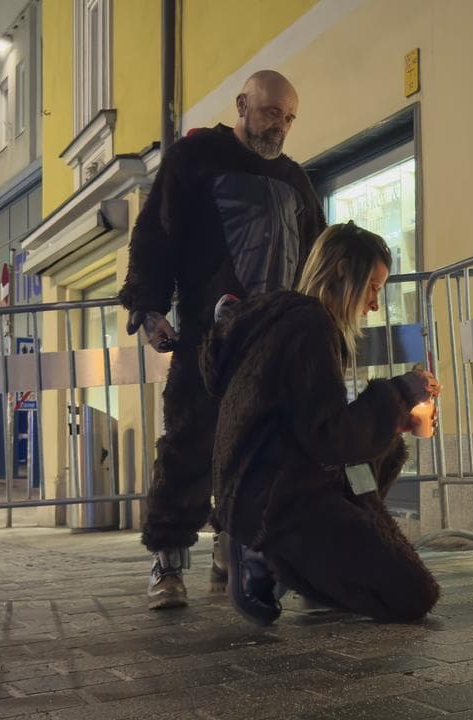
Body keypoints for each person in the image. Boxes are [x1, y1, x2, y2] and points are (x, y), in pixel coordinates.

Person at [118, 70, 326, 609]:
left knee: (263, 451)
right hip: (206, 340)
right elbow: (155, 234)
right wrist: (147, 306)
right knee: (190, 444)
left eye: (287, 117)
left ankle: (233, 548)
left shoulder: (297, 181)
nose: (278, 125)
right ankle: (166, 563)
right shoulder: (195, 160)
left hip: (275, 343)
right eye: (270, 111)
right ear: (241, 103)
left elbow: (316, 259)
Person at [201, 223, 442, 624]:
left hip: (267, 484)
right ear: (344, 271)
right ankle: (265, 553)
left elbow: (314, 423)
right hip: (277, 499)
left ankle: (305, 561)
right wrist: (399, 391)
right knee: (414, 594)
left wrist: (395, 414)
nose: (374, 305)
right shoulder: (309, 324)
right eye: (373, 287)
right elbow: (329, 437)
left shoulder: (293, 320)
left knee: (389, 451)